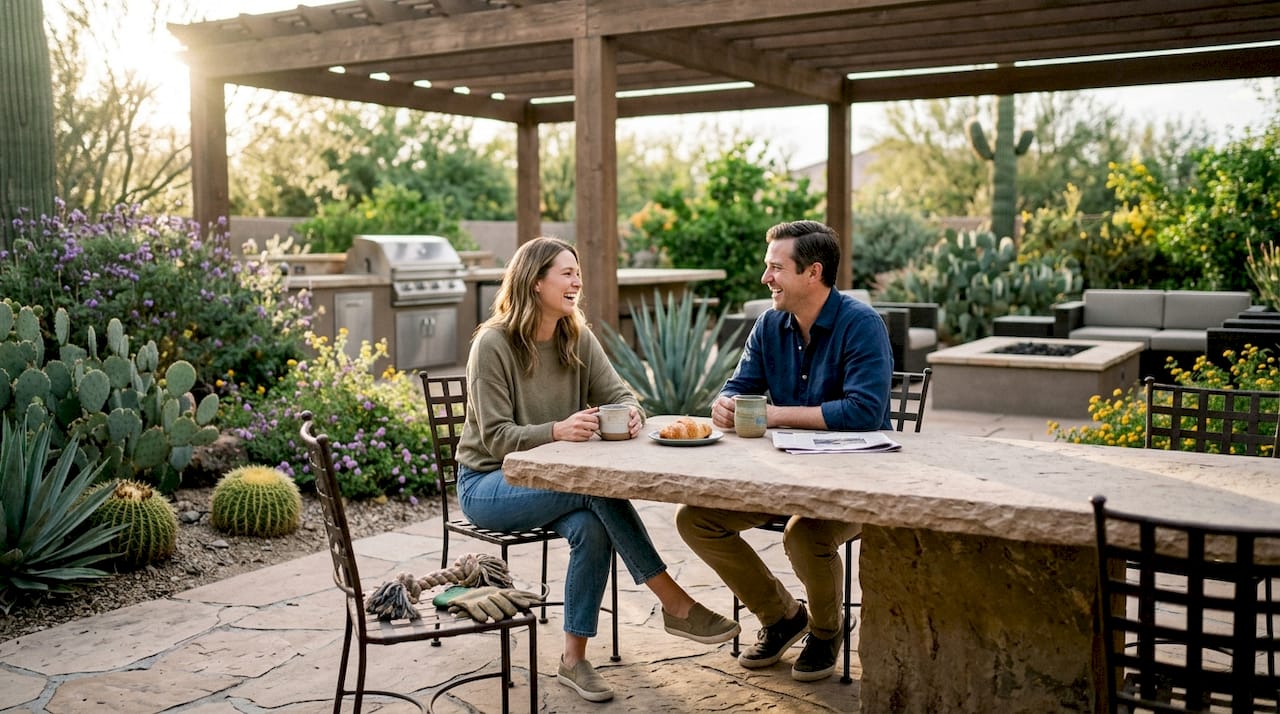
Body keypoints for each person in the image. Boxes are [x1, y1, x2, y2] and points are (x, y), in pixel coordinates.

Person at [454, 236, 740, 703]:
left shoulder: (575, 336)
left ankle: (574, 660)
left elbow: (624, 395)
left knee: (592, 524)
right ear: (535, 281)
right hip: (489, 484)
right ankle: (673, 601)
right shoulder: (493, 344)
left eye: (577, 271)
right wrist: (557, 430)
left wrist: (631, 414)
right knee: (595, 493)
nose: (577, 281)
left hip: (557, 483)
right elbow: (494, 437)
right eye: (566, 273)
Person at [675, 220, 893, 683]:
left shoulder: (862, 325)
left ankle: (827, 629)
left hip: (858, 482)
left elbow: (865, 412)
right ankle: (782, 618)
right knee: (695, 519)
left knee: (805, 534)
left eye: (776, 268)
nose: (765, 278)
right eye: (767, 267)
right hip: (780, 478)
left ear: (813, 273)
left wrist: (773, 415)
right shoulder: (769, 325)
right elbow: (739, 389)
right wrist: (726, 405)